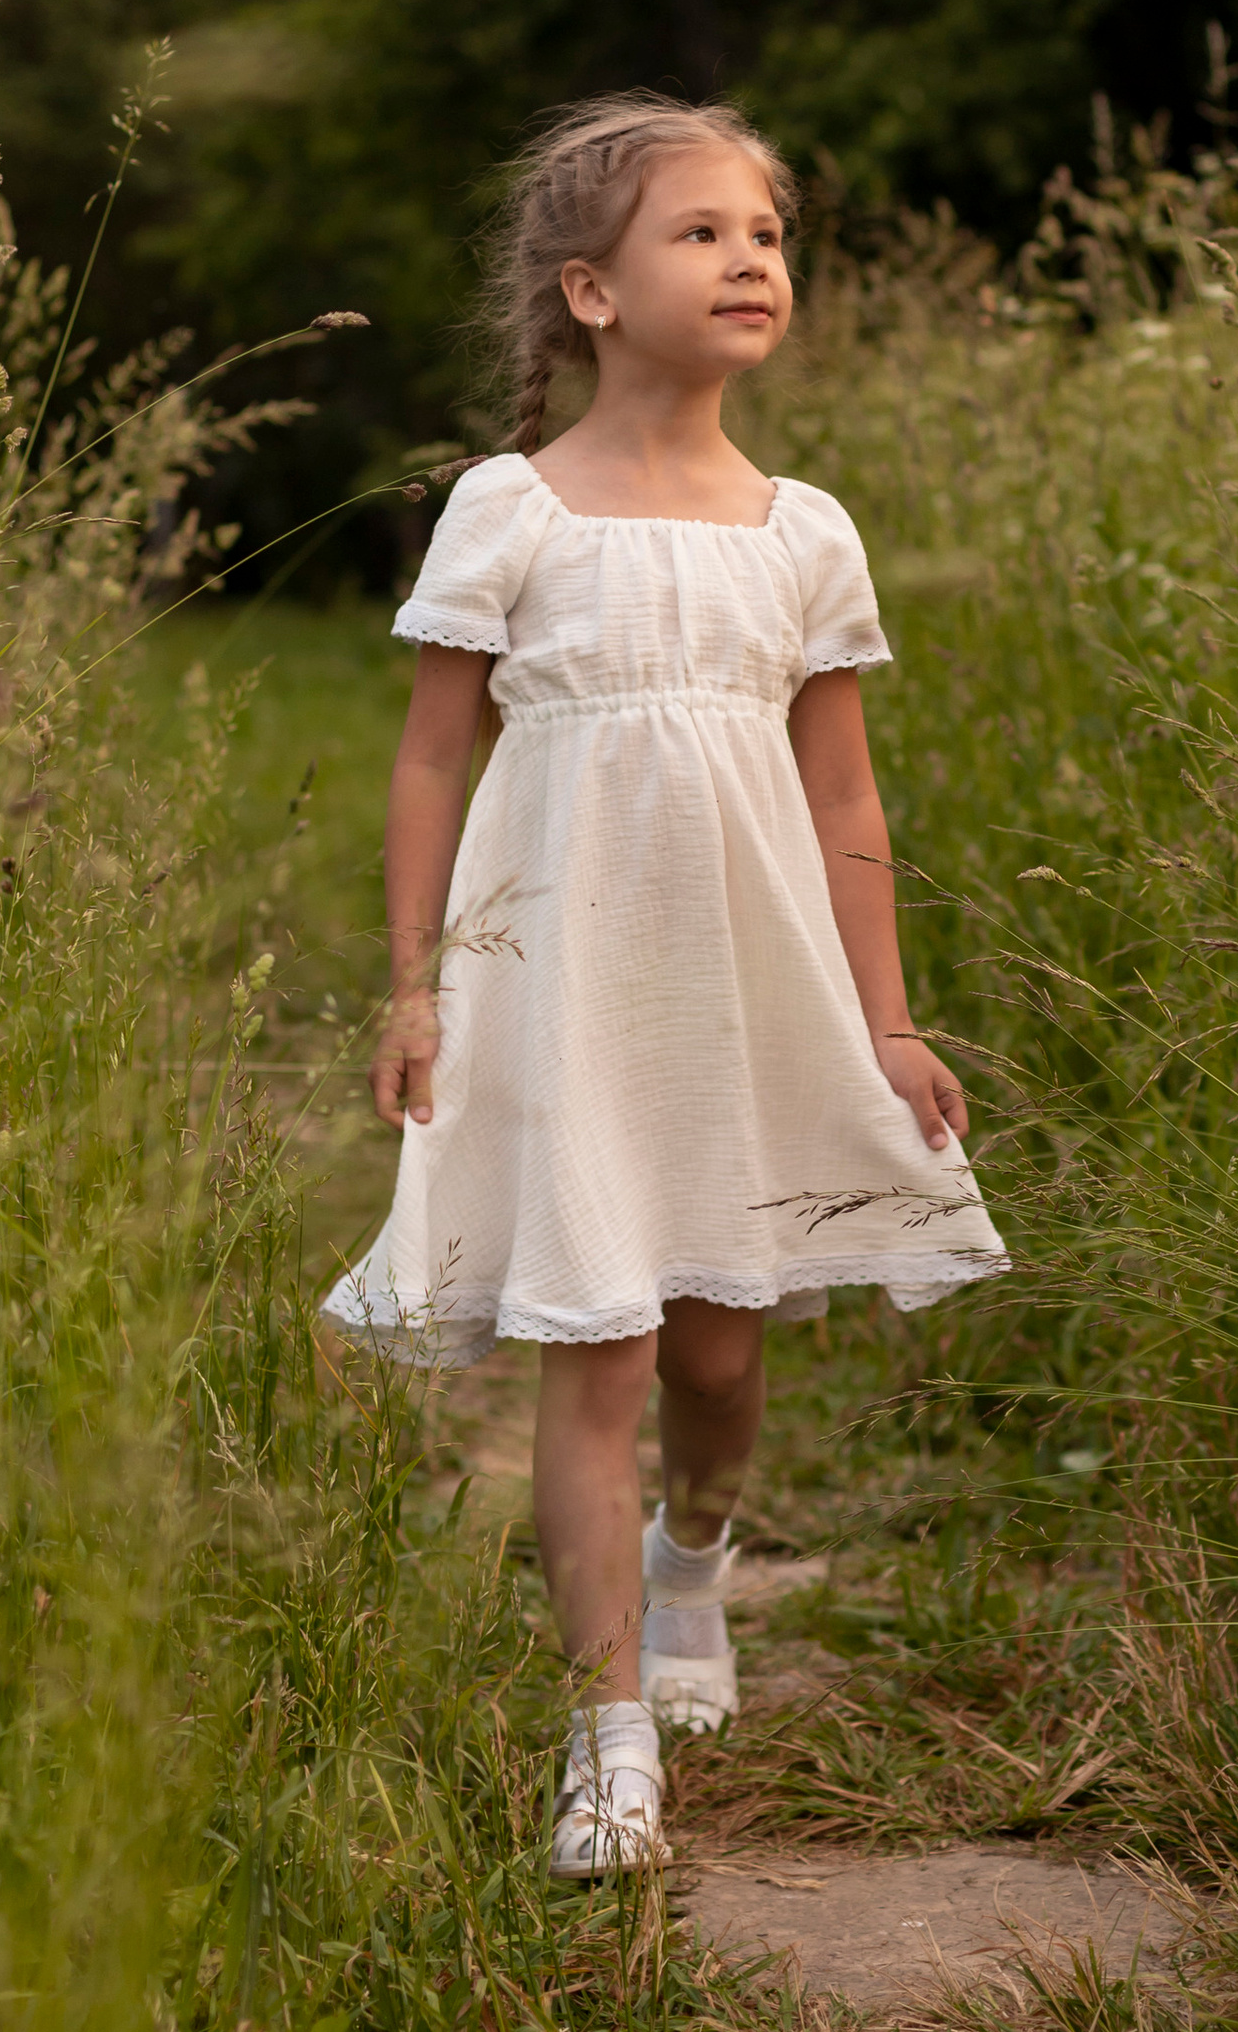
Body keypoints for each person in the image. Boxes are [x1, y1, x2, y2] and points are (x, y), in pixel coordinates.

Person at [324, 95, 1008, 1878]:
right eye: (701, 233)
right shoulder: (511, 510)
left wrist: (887, 1020)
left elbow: (845, 798)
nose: (750, 259)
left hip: (738, 992)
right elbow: (431, 759)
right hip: (568, 988)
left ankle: (693, 1565)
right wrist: (415, 988)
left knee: (718, 1355)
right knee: (601, 1348)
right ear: (593, 292)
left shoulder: (803, 531)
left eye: (766, 232)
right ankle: (607, 1731)